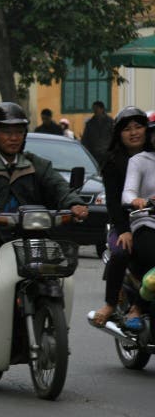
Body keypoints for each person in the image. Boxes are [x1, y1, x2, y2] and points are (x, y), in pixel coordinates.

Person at [0, 102, 88, 353]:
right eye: (6, 131)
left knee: (59, 267)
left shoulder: (37, 164)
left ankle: (56, 324)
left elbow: (58, 187)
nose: (14, 137)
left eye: (19, 131)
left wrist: (74, 204)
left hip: (31, 234)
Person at [90, 107, 148, 327]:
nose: (134, 133)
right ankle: (111, 303)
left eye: (138, 127)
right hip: (125, 224)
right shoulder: (113, 163)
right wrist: (124, 229)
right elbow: (114, 202)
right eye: (127, 129)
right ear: (119, 134)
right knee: (122, 251)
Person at [120, 111, 155, 331]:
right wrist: (138, 200)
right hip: (147, 224)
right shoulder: (139, 161)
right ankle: (137, 307)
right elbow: (127, 193)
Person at [83, 101, 115, 167]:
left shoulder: (110, 122)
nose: (94, 110)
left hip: (107, 154)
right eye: (93, 108)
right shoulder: (90, 123)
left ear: (102, 109)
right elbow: (85, 139)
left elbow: (115, 137)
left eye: (96, 108)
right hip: (94, 154)